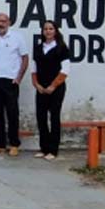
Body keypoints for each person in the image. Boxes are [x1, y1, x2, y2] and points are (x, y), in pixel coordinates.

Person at [0, 11, 29, 156]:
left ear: (9, 22)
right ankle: (0, 144)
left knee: (12, 113)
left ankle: (14, 144)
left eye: (3, 21)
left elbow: (25, 58)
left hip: (10, 80)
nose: (1, 24)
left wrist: (19, 78)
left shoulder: (17, 38)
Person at [31, 20, 71, 161]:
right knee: (41, 118)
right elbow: (34, 69)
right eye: (45, 29)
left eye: (51, 28)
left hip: (56, 88)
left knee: (54, 118)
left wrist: (53, 86)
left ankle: (53, 150)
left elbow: (65, 70)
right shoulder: (37, 48)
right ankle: (44, 147)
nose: (48, 31)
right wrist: (37, 85)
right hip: (41, 88)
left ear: (55, 31)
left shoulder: (62, 48)